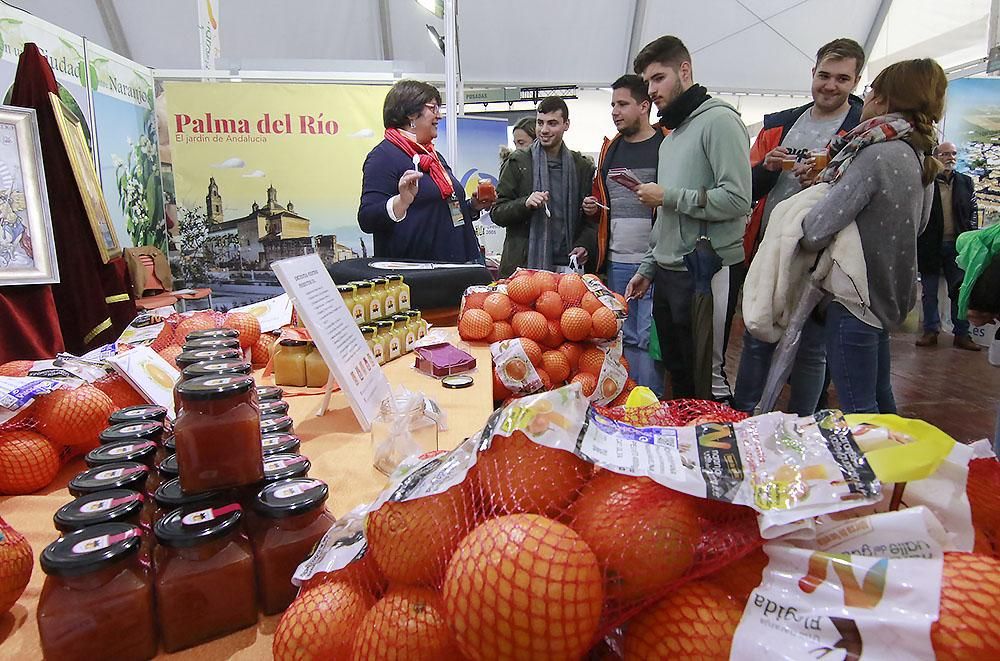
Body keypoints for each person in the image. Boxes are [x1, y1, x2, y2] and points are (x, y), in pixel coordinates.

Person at [800, 58, 947, 414]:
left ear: (882, 99)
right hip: (887, 294)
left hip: (855, 296)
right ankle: (892, 467)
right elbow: (922, 224)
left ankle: (868, 471)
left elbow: (816, 229)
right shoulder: (918, 153)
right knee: (880, 396)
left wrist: (803, 208)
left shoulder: (876, 154)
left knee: (858, 409)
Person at [732, 38, 866, 416]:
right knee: (758, 335)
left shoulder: (862, 129)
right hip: (772, 248)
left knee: (811, 348)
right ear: (813, 74)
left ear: (855, 81)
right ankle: (744, 418)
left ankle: (804, 426)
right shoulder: (781, 124)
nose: (830, 85)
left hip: (824, 256)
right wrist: (767, 168)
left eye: (842, 79)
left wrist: (829, 185)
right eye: (824, 75)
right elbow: (747, 190)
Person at [624, 35, 752, 400]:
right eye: (647, 82)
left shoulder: (720, 121)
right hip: (669, 273)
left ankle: (717, 449)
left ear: (685, 70)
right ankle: (684, 449)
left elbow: (738, 199)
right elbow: (666, 216)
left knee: (706, 375)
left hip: (706, 270)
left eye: (658, 78)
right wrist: (648, 268)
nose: (652, 90)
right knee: (678, 371)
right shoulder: (672, 137)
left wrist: (669, 196)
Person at [582, 74, 667, 397]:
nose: (615, 111)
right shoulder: (610, 150)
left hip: (654, 260)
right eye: (612, 105)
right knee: (622, 334)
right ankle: (628, 401)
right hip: (616, 260)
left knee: (647, 338)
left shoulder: (665, 145)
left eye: (623, 104)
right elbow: (606, 205)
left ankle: (650, 406)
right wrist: (593, 207)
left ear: (644, 106)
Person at [358, 79, 486, 262]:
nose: (439, 116)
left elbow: (443, 211)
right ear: (411, 114)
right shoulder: (383, 157)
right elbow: (367, 219)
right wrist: (401, 202)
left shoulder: (434, 157)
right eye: (433, 108)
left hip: (456, 267)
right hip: (420, 277)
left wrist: (473, 207)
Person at [492, 96, 597, 278]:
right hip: (524, 267)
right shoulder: (517, 162)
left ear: (566, 124)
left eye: (552, 123)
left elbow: (591, 221)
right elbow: (497, 212)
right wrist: (525, 204)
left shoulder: (581, 166)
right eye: (540, 123)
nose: (545, 130)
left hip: (569, 268)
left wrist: (584, 244)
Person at [916, 141, 980, 351]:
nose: (950, 158)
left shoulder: (966, 182)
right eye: (945, 154)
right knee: (930, 292)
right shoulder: (927, 182)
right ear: (936, 157)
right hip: (930, 246)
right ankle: (930, 330)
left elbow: (972, 212)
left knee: (960, 292)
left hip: (958, 247)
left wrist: (970, 238)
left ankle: (962, 334)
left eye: (953, 153)